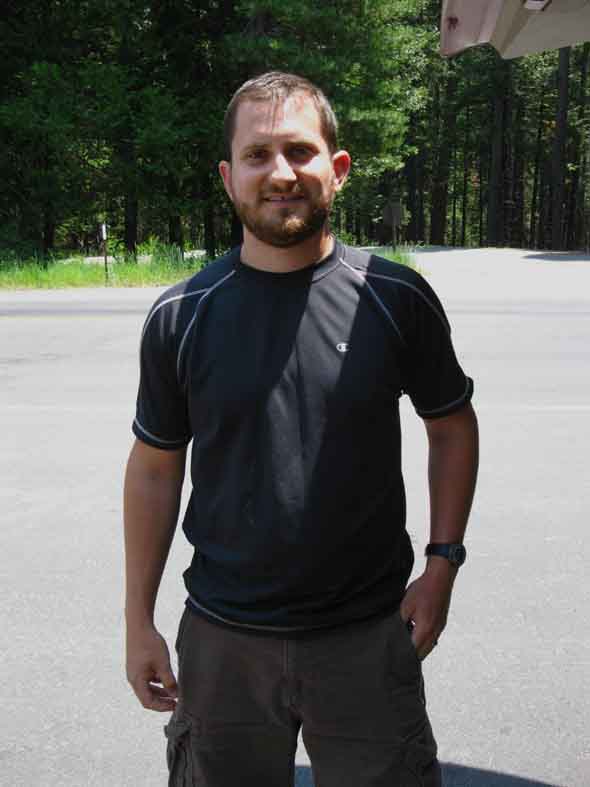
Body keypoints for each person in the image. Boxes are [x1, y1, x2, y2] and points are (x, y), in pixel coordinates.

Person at [124, 71, 479, 787]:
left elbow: (452, 426)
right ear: (229, 178)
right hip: (223, 643)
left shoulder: (395, 297)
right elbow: (156, 468)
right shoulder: (180, 316)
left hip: (367, 638)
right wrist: (137, 620)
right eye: (257, 155)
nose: (280, 172)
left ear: (337, 169)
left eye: (299, 151)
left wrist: (442, 564)